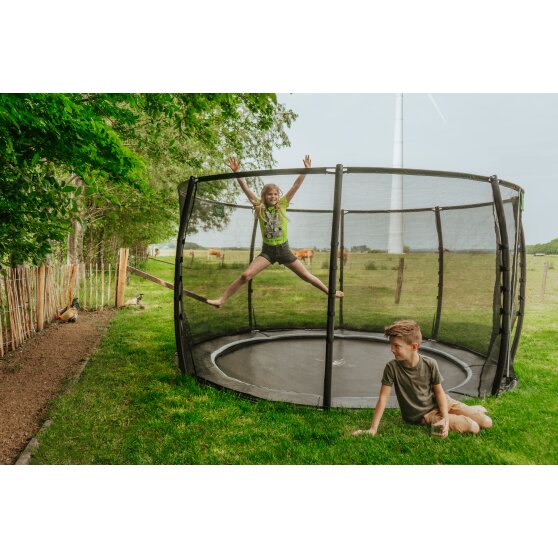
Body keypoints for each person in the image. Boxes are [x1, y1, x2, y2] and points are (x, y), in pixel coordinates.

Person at [207, 156, 344, 308]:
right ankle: (221, 300)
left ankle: (329, 292)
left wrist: (305, 170)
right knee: (245, 275)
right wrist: (236, 172)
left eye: (275, 194)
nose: (273, 196)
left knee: (305, 275)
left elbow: (296, 185)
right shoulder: (259, 206)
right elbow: (246, 189)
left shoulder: (283, 204)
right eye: (269, 194)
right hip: (268, 251)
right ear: (264, 196)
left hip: (284, 250)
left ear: (278, 196)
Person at [352, 319, 493, 438]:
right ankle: (467, 412)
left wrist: (445, 418)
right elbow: (383, 398)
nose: (392, 349)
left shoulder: (430, 363)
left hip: (444, 402)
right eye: (391, 345)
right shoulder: (392, 368)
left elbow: (439, 392)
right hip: (425, 415)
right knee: (474, 427)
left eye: (397, 346)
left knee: (487, 422)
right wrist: (373, 429)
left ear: (413, 346)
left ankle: (468, 410)